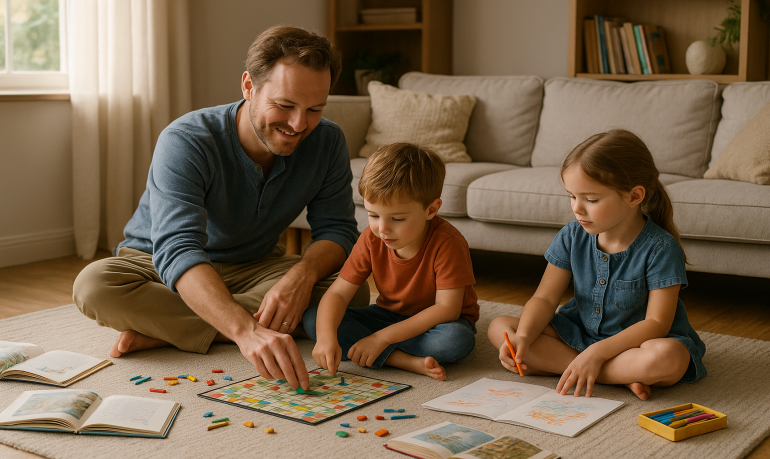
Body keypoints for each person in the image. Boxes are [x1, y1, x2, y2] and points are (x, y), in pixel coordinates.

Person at [72, 25, 369, 390]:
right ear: (248, 86)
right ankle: (225, 325)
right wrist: (245, 332)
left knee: (353, 291)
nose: (298, 124)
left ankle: (172, 331)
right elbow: (178, 249)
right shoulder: (186, 140)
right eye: (285, 105)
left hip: (255, 265)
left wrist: (302, 277)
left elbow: (338, 230)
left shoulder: (327, 140)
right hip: (155, 264)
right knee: (94, 286)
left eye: (314, 109)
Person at [487, 129, 706, 401]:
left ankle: (583, 366)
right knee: (500, 327)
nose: (577, 208)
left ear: (634, 196)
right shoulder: (571, 235)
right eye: (572, 196)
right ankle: (610, 376)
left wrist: (596, 353)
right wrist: (524, 337)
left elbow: (656, 324)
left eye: (590, 199)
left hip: (635, 345)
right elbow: (544, 298)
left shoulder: (661, 248)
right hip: (578, 334)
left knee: (665, 359)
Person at [303, 143, 479, 381]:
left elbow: (446, 309)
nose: (382, 229)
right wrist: (325, 339)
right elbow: (337, 295)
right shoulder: (371, 237)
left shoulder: (448, 242)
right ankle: (403, 360)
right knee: (315, 319)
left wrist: (381, 338)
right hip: (388, 315)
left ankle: (377, 350)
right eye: (373, 215)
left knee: (454, 341)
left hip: (438, 323)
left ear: (431, 209)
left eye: (397, 218)